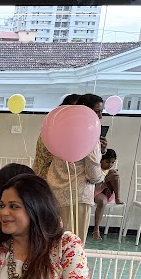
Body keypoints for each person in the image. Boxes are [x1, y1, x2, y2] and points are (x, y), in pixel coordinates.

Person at [35, 93, 107, 242]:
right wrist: (104, 174)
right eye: (97, 112)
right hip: (78, 197)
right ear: (85, 112)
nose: (100, 117)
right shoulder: (90, 134)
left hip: (53, 192)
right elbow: (93, 175)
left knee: (53, 242)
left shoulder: (58, 130)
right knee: (74, 245)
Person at [32, 94, 81, 179]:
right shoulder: (53, 128)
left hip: (57, 179)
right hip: (46, 178)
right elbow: (48, 156)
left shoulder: (71, 131)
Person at [91, 149, 123, 241]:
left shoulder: (110, 171)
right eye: (107, 162)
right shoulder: (96, 169)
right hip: (96, 192)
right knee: (103, 202)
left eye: (112, 162)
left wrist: (111, 178)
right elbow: (95, 186)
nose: (110, 165)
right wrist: (107, 179)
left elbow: (113, 180)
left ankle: (117, 197)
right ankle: (96, 229)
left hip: (108, 192)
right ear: (100, 160)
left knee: (114, 173)